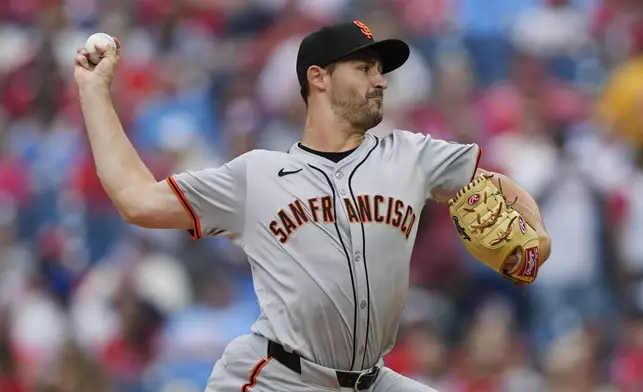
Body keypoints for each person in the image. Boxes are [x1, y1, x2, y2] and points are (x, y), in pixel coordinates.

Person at [73, 21, 551, 392]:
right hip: (278, 378)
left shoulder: (411, 154)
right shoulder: (255, 175)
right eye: (365, 69)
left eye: (380, 71)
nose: (380, 81)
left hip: (372, 378)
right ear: (318, 78)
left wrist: (538, 237)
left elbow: (496, 186)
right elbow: (137, 200)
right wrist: (95, 93)